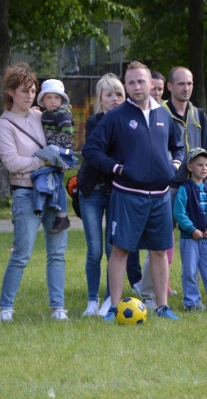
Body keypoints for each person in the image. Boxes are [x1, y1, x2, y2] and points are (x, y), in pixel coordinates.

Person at [82, 60, 184, 321]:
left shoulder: (164, 115)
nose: (137, 87)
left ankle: (162, 306)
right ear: (126, 86)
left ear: (151, 83)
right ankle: (114, 308)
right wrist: (116, 168)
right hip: (127, 195)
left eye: (141, 81)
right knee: (120, 251)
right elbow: (91, 149)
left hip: (160, 197)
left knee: (159, 251)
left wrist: (174, 165)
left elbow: (179, 146)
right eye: (131, 83)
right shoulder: (116, 116)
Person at [0, 63, 69, 321]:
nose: (30, 95)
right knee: (22, 254)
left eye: (33, 90)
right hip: (25, 193)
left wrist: (59, 157)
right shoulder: (4, 124)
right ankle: (6, 308)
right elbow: (12, 163)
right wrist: (44, 160)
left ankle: (58, 307)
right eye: (24, 90)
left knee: (57, 253)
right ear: (11, 92)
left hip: (54, 192)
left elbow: (60, 139)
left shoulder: (41, 116)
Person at [138, 66, 207, 308]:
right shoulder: (158, 113)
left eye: (189, 83)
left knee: (197, 242)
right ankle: (149, 295)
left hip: (195, 187)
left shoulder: (199, 114)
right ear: (169, 87)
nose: (186, 88)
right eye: (181, 84)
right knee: (158, 242)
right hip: (168, 187)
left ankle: (193, 298)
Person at [76, 73, 141, 317]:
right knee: (94, 250)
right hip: (91, 191)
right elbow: (97, 152)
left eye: (119, 95)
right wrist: (115, 164)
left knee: (112, 249)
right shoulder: (94, 123)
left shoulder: (132, 122)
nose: (115, 99)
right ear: (100, 99)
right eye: (109, 95)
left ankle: (108, 300)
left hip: (117, 191)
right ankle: (91, 300)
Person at [173, 147, 207, 311]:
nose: (204, 168)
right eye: (200, 165)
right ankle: (191, 303)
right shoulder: (185, 189)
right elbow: (179, 213)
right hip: (189, 239)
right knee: (190, 271)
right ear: (190, 167)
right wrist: (191, 229)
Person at [36, 78, 76, 233]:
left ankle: (62, 216)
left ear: (62, 100)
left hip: (61, 152)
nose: (53, 101)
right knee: (52, 180)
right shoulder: (47, 113)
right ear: (43, 100)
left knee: (58, 183)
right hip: (53, 153)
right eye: (49, 98)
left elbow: (67, 133)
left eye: (56, 97)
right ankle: (52, 205)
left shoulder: (62, 114)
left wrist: (55, 148)